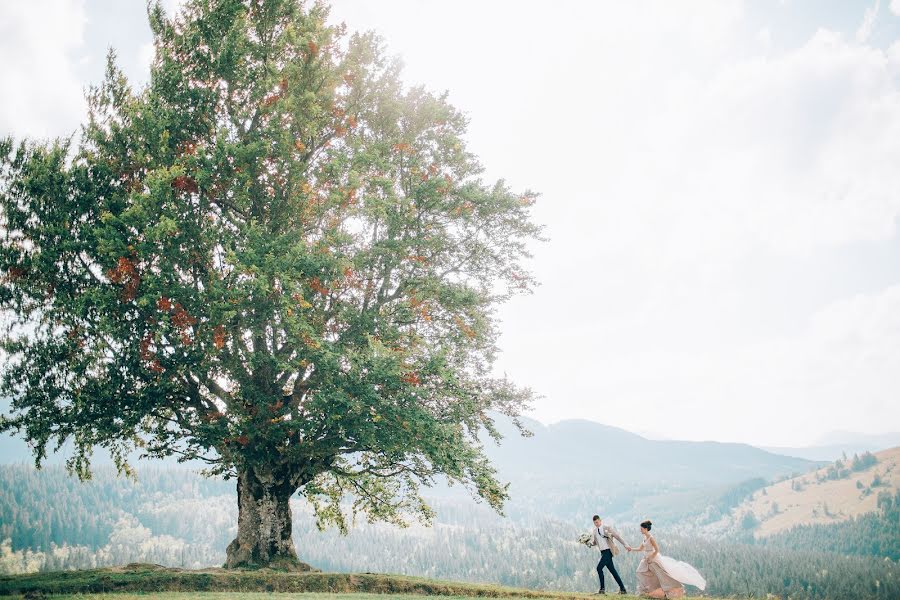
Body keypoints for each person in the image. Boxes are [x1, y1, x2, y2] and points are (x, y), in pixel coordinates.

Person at [626, 520, 706, 599]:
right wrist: (631, 549)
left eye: (641, 529)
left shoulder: (651, 538)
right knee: (640, 571)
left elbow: (657, 549)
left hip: (653, 560)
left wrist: (651, 557)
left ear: (646, 529)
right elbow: (640, 549)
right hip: (646, 560)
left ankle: (673, 588)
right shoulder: (644, 538)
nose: (640, 530)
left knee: (661, 576)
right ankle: (648, 590)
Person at [591, 514, 628, 595]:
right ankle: (623, 589)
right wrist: (588, 542)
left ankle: (602, 589)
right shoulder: (594, 531)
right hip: (603, 552)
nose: (596, 524)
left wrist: (625, 545)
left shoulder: (606, 528)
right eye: (595, 523)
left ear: (600, 520)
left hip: (608, 552)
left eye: (597, 522)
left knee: (599, 568)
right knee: (613, 571)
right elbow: (595, 542)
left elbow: (617, 536)